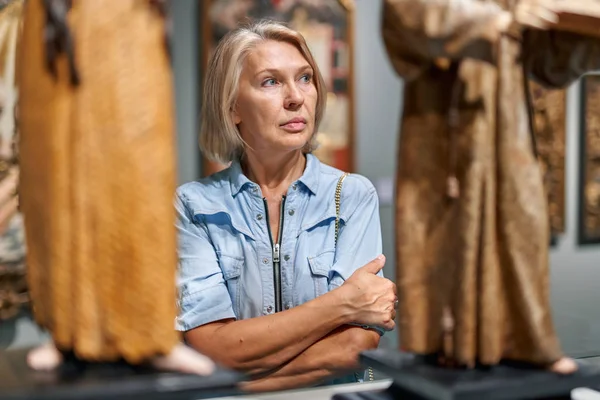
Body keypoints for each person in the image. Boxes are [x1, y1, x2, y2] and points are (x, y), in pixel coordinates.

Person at [176, 20, 397, 391]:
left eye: (305, 78)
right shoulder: (193, 206)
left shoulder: (353, 196)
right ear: (232, 108)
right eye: (271, 82)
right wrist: (344, 303)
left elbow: (353, 347)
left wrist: (239, 387)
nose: (296, 97)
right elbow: (211, 348)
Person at [382, 0, 600, 374]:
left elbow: (545, 60)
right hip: (447, 124)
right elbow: (408, 16)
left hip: (508, 126)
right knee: (450, 229)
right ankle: (452, 343)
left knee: (523, 222)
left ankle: (526, 341)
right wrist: (497, 20)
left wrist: (579, 33)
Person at [18, 0, 213, 374]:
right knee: (59, 165)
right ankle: (65, 329)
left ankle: (152, 331)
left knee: (140, 167)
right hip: (60, 18)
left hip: (129, 17)